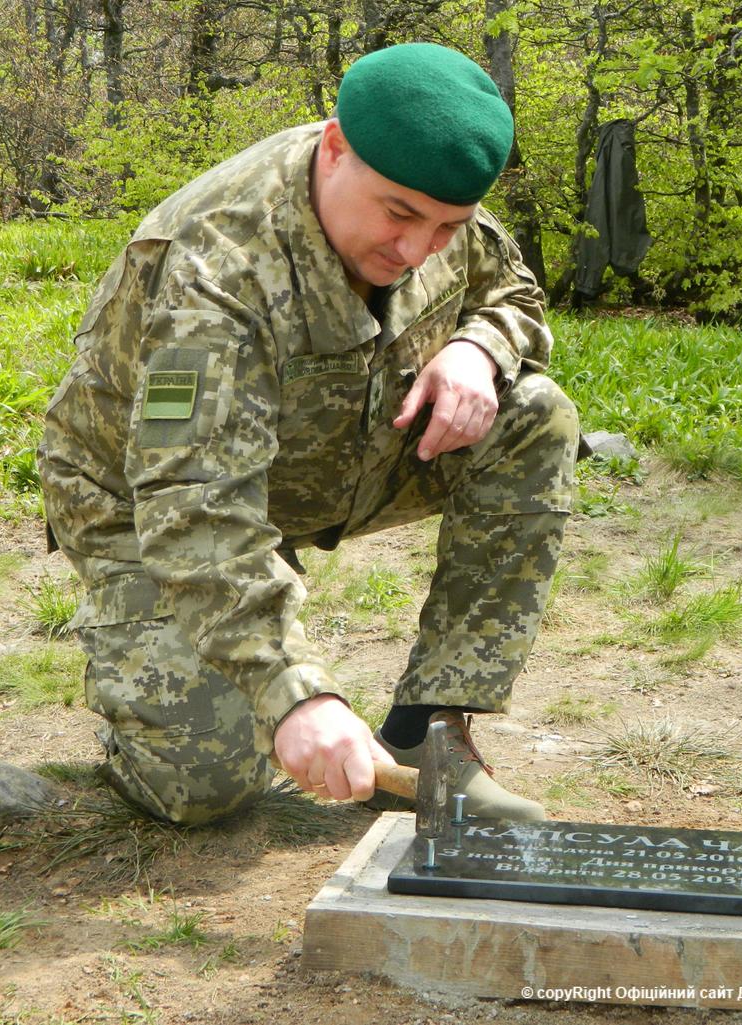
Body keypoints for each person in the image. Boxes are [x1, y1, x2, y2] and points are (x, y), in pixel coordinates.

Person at [38, 43, 578, 830]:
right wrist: (296, 692)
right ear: (334, 147)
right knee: (205, 783)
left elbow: (514, 291)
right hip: (145, 499)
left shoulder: (428, 188)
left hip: (325, 458)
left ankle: (432, 734)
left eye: (445, 227)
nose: (416, 249)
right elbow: (192, 506)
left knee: (534, 412)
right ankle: (145, 700)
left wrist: (478, 347)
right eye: (398, 215)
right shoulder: (213, 267)